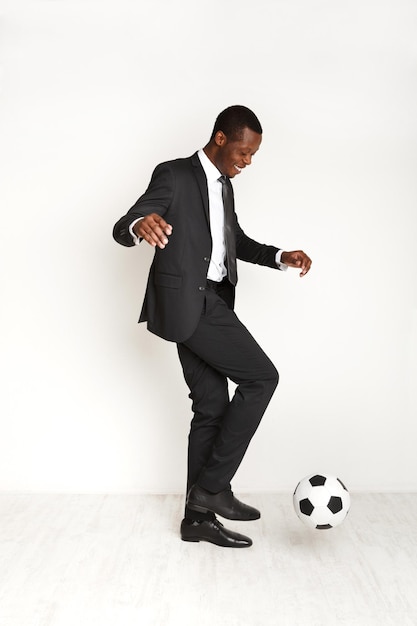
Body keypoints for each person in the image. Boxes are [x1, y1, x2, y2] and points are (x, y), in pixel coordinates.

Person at [113, 105, 312, 549]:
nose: (248, 162)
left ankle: (197, 518)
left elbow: (232, 240)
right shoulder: (175, 174)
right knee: (262, 378)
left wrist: (280, 257)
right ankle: (212, 487)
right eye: (244, 152)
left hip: (215, 300)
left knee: (209, 407)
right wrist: (139, 224)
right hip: (190, 302)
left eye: (253, 155)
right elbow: (123, 226)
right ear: (221, 139)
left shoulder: (225, 186)